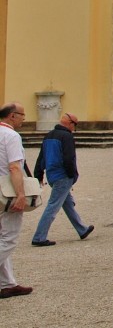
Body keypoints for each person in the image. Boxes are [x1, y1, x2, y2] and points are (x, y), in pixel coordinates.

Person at [31, 113, 94, 246]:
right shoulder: (67, 136)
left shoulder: (48, 135)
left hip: (52, 175)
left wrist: (39, 175)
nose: (74, 128)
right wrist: (72, 175)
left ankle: (82, 229)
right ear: (70, 123)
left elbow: (41, 158)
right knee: (53, 206)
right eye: (75, 125)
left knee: (67, 203)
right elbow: (69, 158)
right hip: (63, 175)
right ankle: (39, 237)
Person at [0, 102, 32, 298]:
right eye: (22, 115)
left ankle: (7, 283)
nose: (23, 119)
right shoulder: (11, 136)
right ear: (12, 116)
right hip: (6, 191)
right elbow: (14, 167)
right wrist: (21, 194)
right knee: (9, 237)